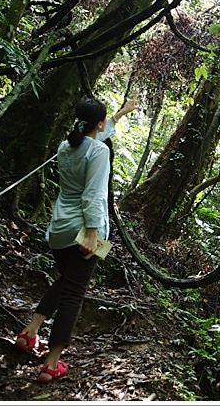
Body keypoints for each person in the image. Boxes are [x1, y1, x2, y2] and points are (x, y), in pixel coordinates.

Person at [14, 97, 137, 383]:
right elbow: (93, 194)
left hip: (59, 230)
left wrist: (119, 114)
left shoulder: (66, 146)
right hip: (85, 230)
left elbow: (96, 137)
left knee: (67, 282)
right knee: (74, 293)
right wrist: (93, 233)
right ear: (97, 123)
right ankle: (51, 363)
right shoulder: (99, 152)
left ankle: (29, 332)